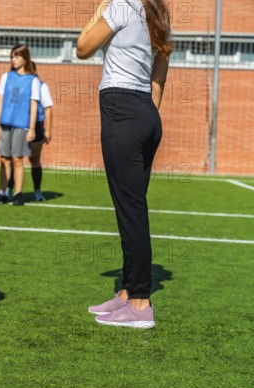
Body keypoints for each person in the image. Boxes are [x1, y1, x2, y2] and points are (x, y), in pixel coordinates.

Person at [78, 0, 171, 328]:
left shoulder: (118, 5)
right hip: (144, 113)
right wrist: (150, 109)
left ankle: (141, 304)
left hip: (122, 111)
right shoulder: (157, 12)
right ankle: (128, 291)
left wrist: (100, 7)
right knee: (130, 207)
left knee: (131, 211)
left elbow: (82, 47)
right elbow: (161, 64)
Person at [0, 44, 40, 206]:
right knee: (4, 159)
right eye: (12, 56)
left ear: (25, 58)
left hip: (22, 125)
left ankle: (18, 194)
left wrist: (31, 128)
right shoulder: (6, 77)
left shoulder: (33, 80)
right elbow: (0, 101)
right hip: (5, 123)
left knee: (17, 159)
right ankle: (2, 193)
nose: (13, 60)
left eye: (17, 56)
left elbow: (34, 105)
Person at [6, 61, 53, 202]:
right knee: (15, 158)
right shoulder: (14, 84)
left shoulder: (41, 85)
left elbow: (48, 109)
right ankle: (10, 190)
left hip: (36, 126)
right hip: (18, 124)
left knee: (34, 159)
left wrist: (48, 130)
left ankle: (37, 192)